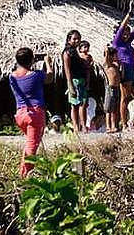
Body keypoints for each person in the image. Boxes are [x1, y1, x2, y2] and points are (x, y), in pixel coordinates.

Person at [9, 47, 54, 177]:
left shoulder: (11, 77)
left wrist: (30, 62)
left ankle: (24, 172)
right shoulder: (36, 75)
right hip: (35, 114)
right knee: (31, 148)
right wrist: (48, 64)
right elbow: (49, 78)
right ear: (31, 60)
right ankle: (25, 176)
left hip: (20, 114)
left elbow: (22, 71)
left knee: (30, 144)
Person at [112, 4, 134, 129]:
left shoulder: (128, 43)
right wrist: (130, 12)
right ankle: (124, 124)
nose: (126, 34)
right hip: (125, 71)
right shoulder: (117, 42)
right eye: (124, 33)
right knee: (125, 98)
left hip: (133, 70)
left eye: (128, 33)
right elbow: (122, 27)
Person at [63, 29, 89, 132]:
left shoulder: (75, 52)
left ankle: (81, 126)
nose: (77, 40)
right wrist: (70, 85)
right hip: (74, 81)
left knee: (82, 103)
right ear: (69, 39)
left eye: (78, 39)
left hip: (81, 80)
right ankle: (79, 127)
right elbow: (67, 69)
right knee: (76, 105)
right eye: (74, 39)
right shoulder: (67, 52)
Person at [103, 46, 122, 133]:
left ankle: (114, 125)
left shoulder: (115, 65)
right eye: (115, 55)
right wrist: (107, 51)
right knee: (108, 108)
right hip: (110, 88)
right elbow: (107, 59)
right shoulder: (108, 65)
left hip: (117, 88)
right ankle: (108, 126)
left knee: (114, 108)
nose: (117, 56)